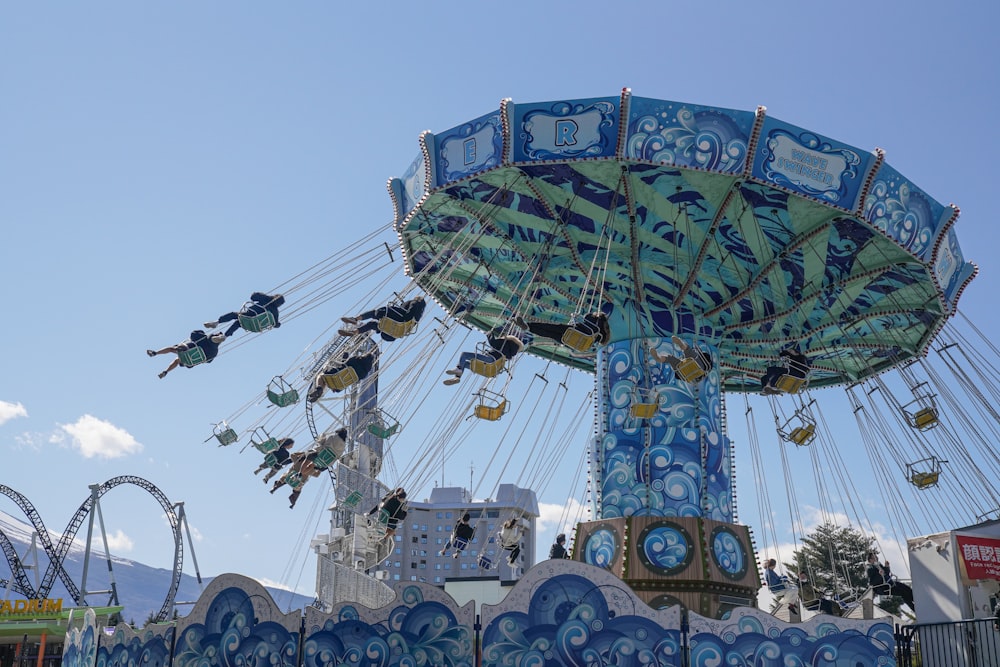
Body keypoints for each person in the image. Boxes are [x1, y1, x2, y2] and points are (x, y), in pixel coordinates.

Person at [443, 327, 524, 385]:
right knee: (465, 364)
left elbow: (493, 343)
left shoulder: (505, 342)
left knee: (464, 355)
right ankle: (457, 377)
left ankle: (458, 371)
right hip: (491, 369)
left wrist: (489, 333)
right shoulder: (511, 352)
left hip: (490, 360)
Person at [339, 295, 426, 341]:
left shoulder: (416, 303)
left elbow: (409, 314)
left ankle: (355, 319)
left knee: (377, 313)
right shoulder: (417, 318)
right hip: (395, 332)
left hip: (399, 320)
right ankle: (354, 332)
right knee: (373, 325)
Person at [146, 330, 226, 379]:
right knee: (177, 360)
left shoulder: (204, 338)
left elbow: (193, 334)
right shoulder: (215, 352)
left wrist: (202, 333)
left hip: (188, 350)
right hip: (189, 362)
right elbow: (207, 361)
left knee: (172, 348)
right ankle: (166, 371)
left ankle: (155, 353)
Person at [204, 292, 285, 338]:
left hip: (249, 315)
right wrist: (278, 324)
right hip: (255, 325)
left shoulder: (266, 299)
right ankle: (224, 336)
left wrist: (265, 296)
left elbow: (253, 297)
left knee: (233, 315)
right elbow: (275, 324)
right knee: (238, 323)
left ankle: (217, 322)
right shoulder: (275, 312)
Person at [515, 312, 610, 350]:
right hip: (573, 341)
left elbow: (586, 318)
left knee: (551, 327)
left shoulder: (594, 321)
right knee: (550, 334)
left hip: (575, 331)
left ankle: (529, 326)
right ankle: (528, 328)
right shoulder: (600, 335)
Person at [307, 351, 377, 402]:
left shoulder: (356, 359)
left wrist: (345, 356)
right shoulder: (364, 374)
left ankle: (319, 388)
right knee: (328, 380)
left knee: (321, 376)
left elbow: (344, 364)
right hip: (340, 386)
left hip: (336, 374)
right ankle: (320, 391)